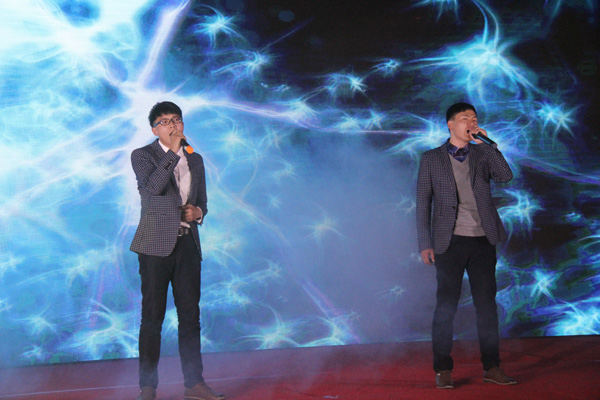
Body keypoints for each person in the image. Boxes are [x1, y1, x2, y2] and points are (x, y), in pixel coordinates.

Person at [416, 102, 517, 389]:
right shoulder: (431, 158)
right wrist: (425, 243)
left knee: (486, 306)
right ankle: (442, 369)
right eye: (464, 118)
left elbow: (505, 176)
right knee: (446, 306)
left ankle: (492, 367)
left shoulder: (483, 153)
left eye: (474, 118)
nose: (471, 122)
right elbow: (423, 203)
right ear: (450, 124)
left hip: (483, 239)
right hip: (448, 241)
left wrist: (488, 145)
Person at [130, 101, 225, 400]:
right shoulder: (142, 155)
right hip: (154, 246)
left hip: (187, 245)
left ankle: (194, 384)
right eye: (165, 121)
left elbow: (203, 201)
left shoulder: (195, 159)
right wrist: (172, 152)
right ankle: (148, 387)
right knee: (152, 317)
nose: (173, 125)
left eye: (177, 119)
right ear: (154, 129)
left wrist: (198, 212)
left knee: (190, 317)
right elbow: (152, 190)